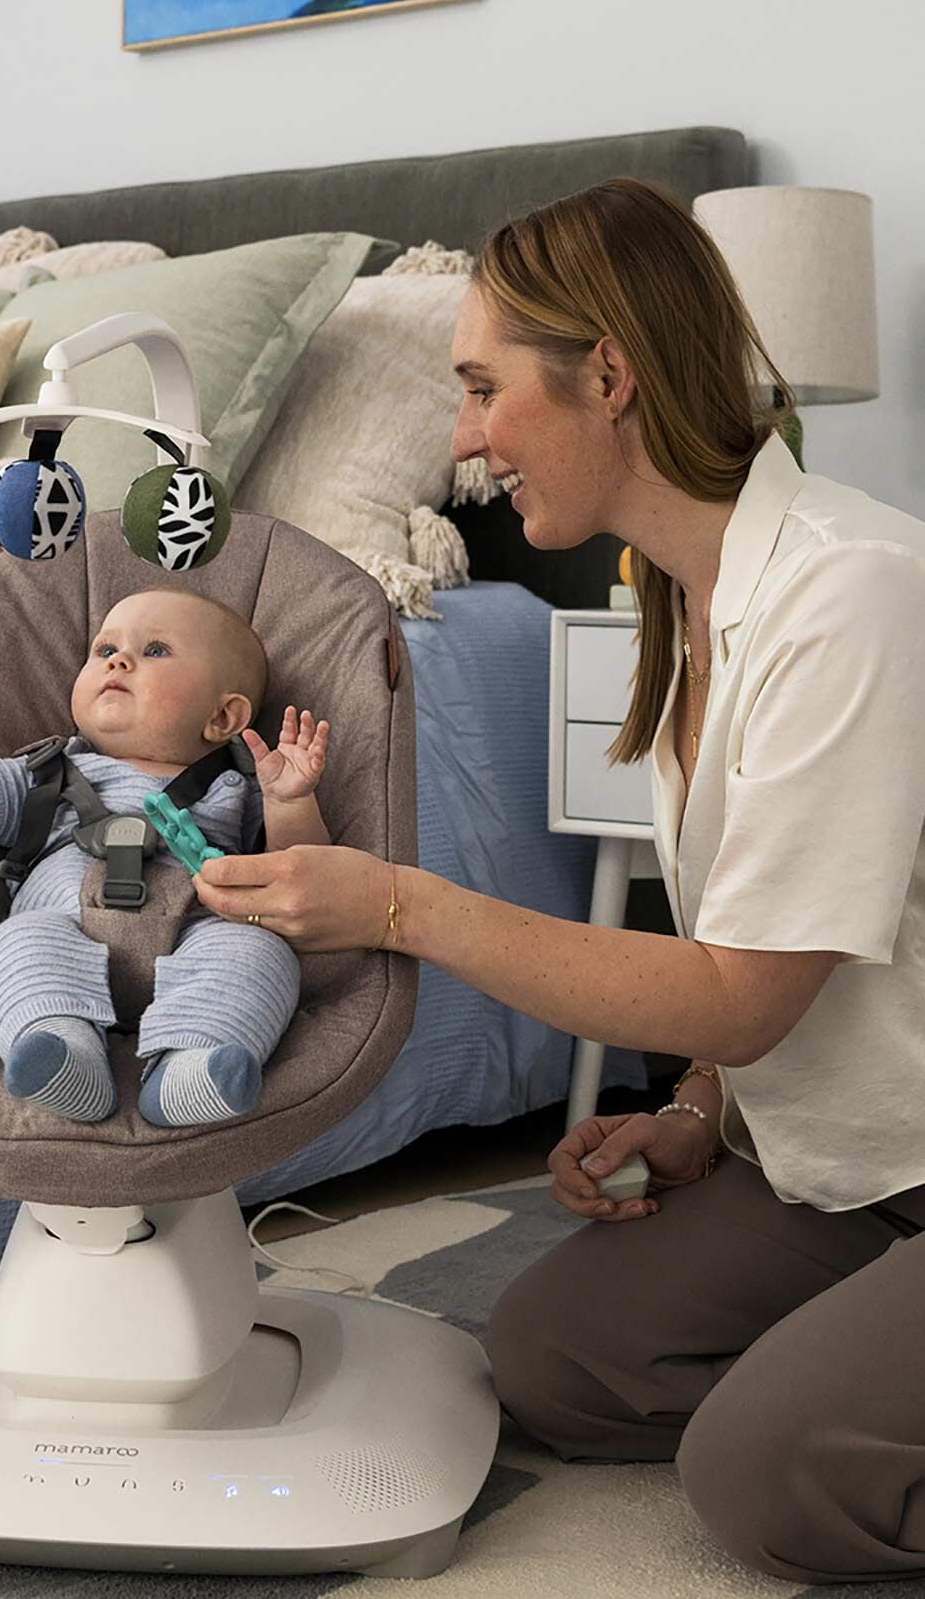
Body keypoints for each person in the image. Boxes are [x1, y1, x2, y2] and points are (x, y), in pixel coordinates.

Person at [190, 177, 925, 1584]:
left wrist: (397, 902)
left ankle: (835, 1401)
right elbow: (805, 945)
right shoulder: (679, 599)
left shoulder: (851, 592)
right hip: (860, 1175)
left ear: (609, 374)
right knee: (554, 1362)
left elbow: (743, 994)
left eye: (481, 389)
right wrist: (701, 1110)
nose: (463, 438)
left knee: (765, 1472)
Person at [0, 587, 329, 1129]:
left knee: (260, 952)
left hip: (194, 942)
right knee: (16, 943)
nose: (118, 661)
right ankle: (63, 1050)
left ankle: (193, 1065)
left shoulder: (235, 788)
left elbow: (301, 874)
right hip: (66, 936)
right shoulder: (49, 773)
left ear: (222, 716)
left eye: (155, 650)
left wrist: (290, 801)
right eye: (105, 649)